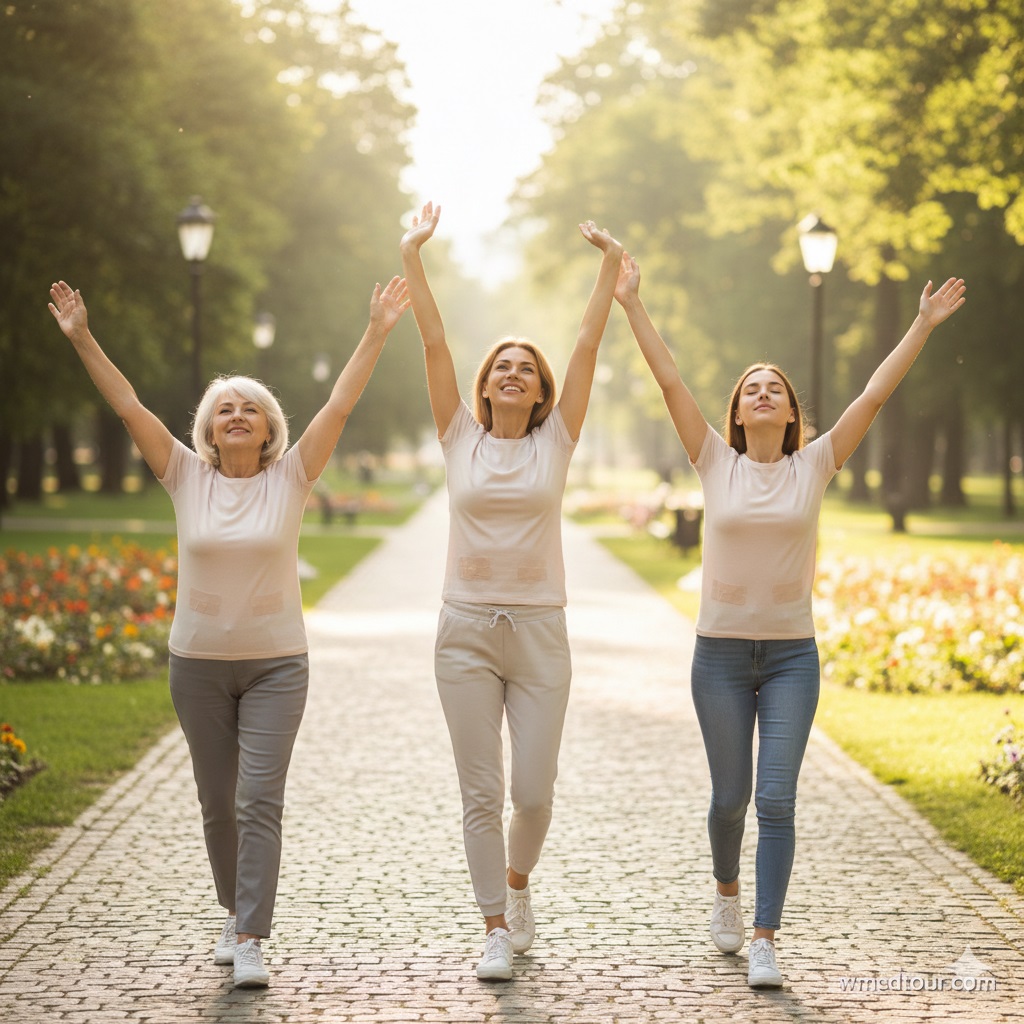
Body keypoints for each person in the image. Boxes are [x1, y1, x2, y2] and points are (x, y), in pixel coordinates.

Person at [48, 275, 410, 988]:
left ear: (271, 428)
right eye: (225, 410)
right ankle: (232, 908)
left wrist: (375, 331)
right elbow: (127, 405)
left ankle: (250, 936)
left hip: (278, 665)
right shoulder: (183, 475)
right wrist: (83, 336)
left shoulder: (294, 475)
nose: (237, 416)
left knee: (258, 800)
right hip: (198, 666)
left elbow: (341, 401)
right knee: (218, 804)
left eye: (251, 409)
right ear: (209, 429)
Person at [613, 254, 965, 988]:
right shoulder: (714, 460)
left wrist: (923, 326)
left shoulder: (817, 463)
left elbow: (874, 392)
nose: (765, 394)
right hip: (718, 656)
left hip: (790, 660)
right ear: (738, 413)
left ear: (791, 411)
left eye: (776, 388)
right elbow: (671, 380)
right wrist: (632, 304)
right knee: (729, 799)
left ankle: (767, 936)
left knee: (776, 797)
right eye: (752, 390)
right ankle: (726, 895)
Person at [400, 202, 623, 981]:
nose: (512, 372)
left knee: (532, 790)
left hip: (538, 634)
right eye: (502, 364)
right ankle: (493, 923)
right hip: (463, 630)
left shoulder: (556, 442)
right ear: (485, 385)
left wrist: (607, 265)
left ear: (540, 391)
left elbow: (590, 342)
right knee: (480, 790)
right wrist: (413, 255)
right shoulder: (457, 434)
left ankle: (518, 887)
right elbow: (431, 339)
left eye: (526, 367)